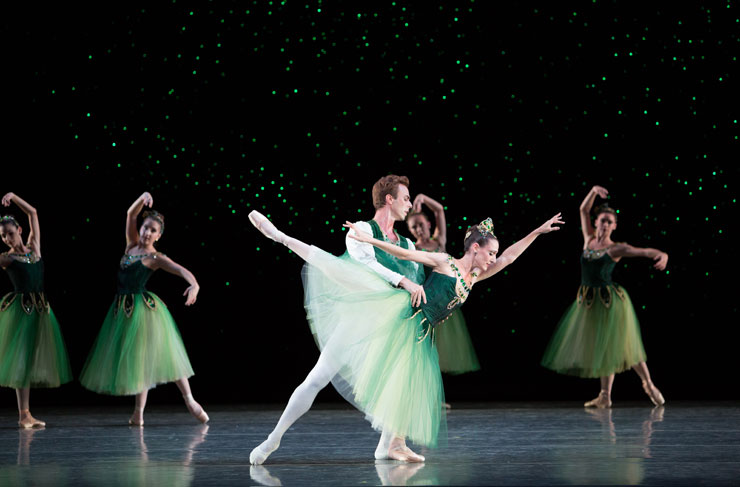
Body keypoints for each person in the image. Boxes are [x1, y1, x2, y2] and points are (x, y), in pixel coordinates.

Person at [248, 206, 563, 465]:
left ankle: (391, 444)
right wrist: (369, 241)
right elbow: (407, 255)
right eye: (489, 252)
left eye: (494, 254)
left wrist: (536, 231)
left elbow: (509, 257)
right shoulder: (445, 262)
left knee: (405, 387)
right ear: (475, 248)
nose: (493, 258)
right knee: (342, 286)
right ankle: (281, 236)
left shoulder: (474, 277)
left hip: (422, 334)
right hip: (403, 318)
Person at [79, 192, 208, 426]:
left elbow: (181, 270)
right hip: (123, 310)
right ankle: (138, 413)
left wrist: (194, 285)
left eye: (152, 231)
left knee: (165, 354)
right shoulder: (130, 246)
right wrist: (143, 197)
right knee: (139, 360)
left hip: (144, 311)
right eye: (145, 227)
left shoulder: (154, 257)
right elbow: (130, 214)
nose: (147, 233)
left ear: (158, 236)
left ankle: (189, 399)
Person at [541, 185, 667, 408]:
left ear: (615, 226)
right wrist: (593, 192)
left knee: (624, 345)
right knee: (602, 348)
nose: (606, 224)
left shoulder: (616, 248)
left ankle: (648, 384)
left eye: (610, 221)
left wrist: (661, 254)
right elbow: (582, 210)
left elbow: (643, 252)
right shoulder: (588, 240)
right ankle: (605, 396)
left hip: (611, 302)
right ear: (596, 222)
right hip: (589, 302)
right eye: (603, 219)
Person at [0, 192, 73, 428]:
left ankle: (25, 414)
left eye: (10, 233)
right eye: (3, 236)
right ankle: (24, 414)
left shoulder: (34, 248)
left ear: (19, 230)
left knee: (30, 361)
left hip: (41, 312)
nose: (8, 239)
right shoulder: (6, 258)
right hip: (21, 313)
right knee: (20, 360)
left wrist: (13, 196)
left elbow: (33, 213)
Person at [407, 194, 480, 386]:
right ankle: (425, 394)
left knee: (440, 353)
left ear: (428, 224)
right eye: (413, 226)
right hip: (428, 304)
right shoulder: (413, 248)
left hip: (447, 303)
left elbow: (439, 210)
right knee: (425, 350)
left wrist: (422, 197)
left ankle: (436, 397)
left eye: (421, 224)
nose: (418, 229)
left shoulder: (439, 241)